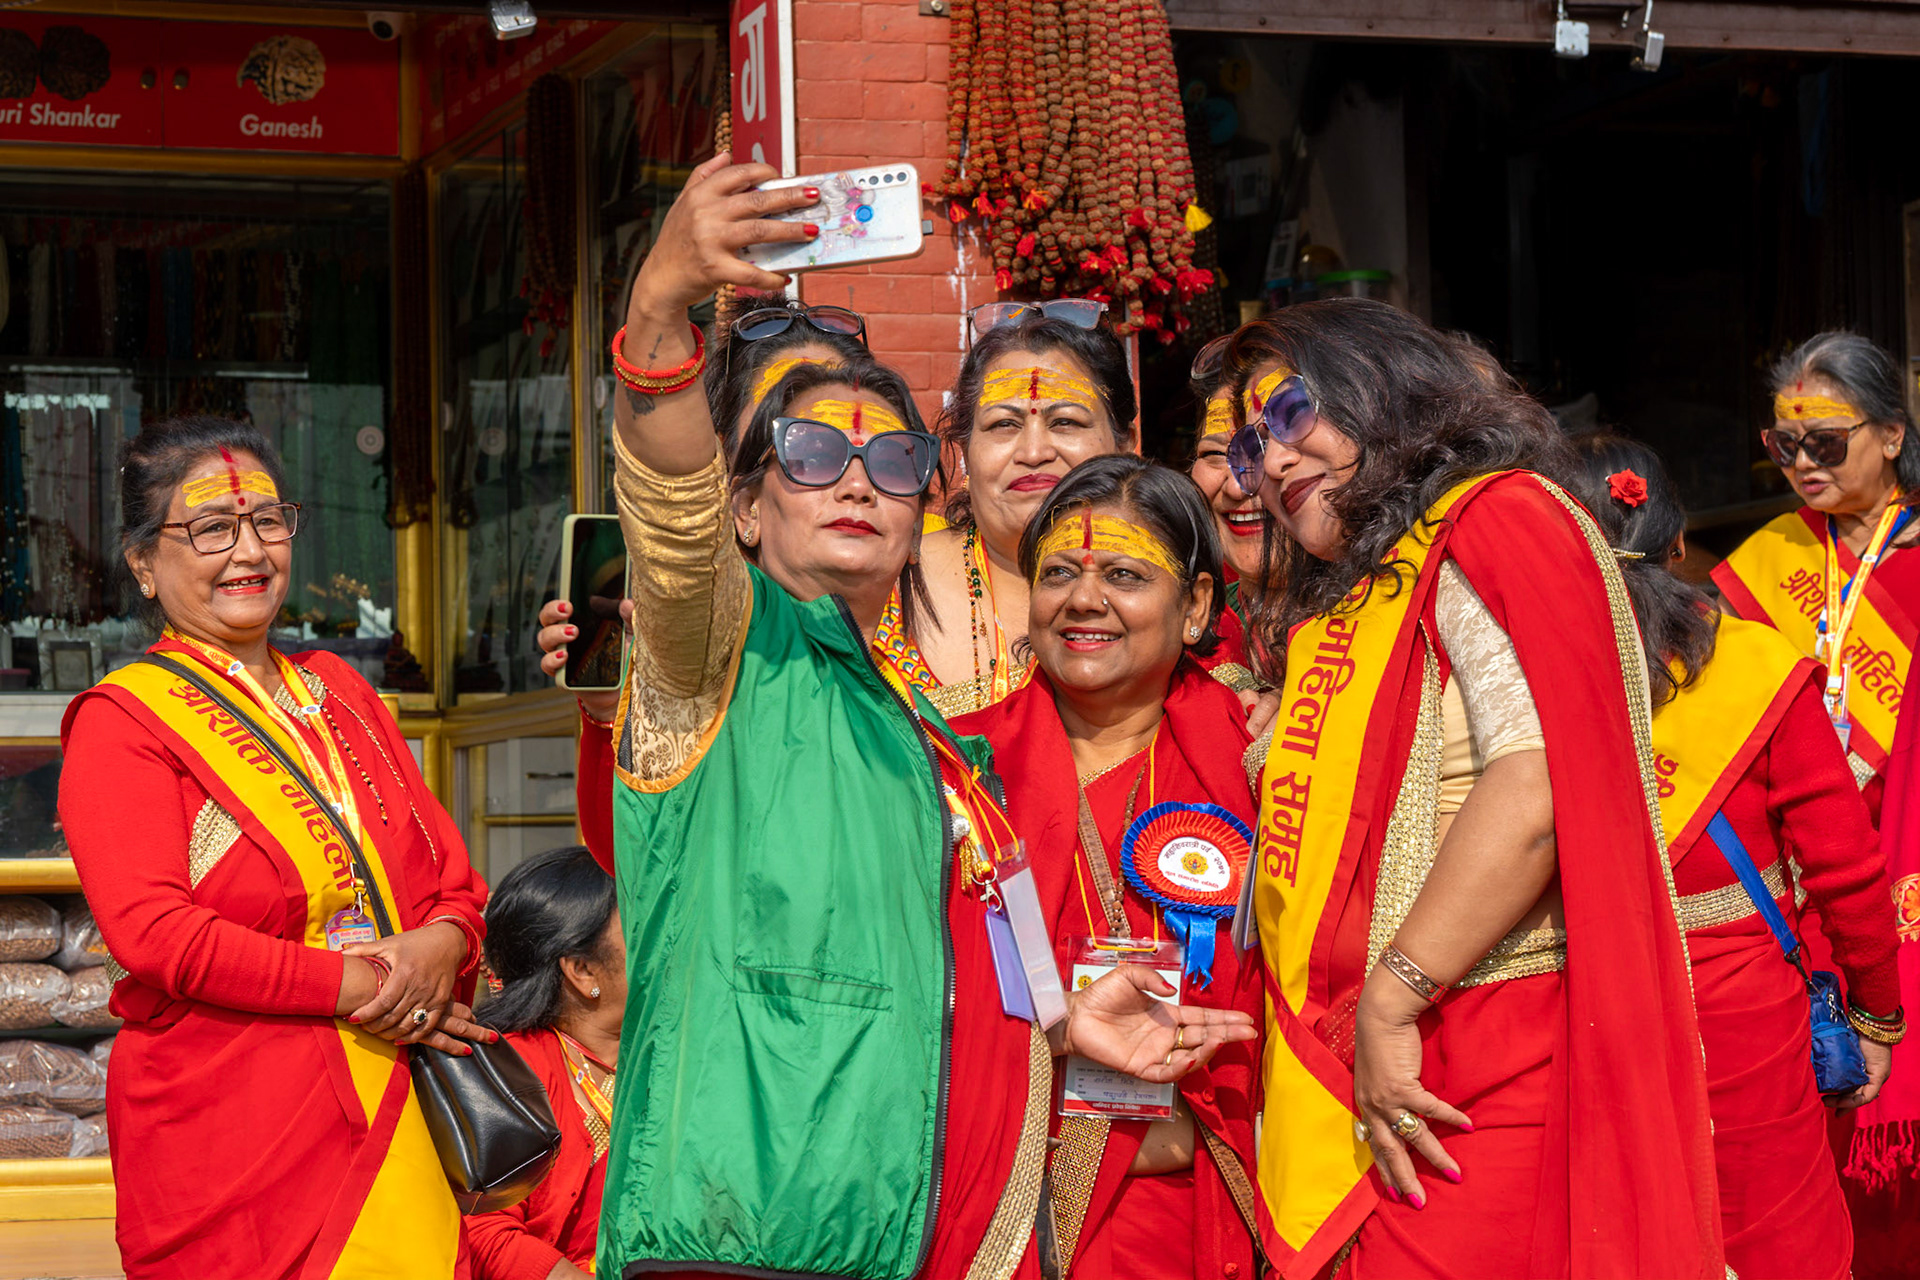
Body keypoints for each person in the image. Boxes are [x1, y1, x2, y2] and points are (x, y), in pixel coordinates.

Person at [592, 151, 1254, 1279]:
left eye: (892, 460)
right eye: (812, 455)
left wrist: (1066, 1025)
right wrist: (659, 305)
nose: (857, 480)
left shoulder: (942, 739)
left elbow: (961, 964)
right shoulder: (719, 661)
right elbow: (667, 510)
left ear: (919, 512)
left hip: (895, 1240)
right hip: (727, 1232)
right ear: (745, 509)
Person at [1227, 300, 1723, 1278]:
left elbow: (1534, 784)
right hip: (1386, 1063)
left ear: (1382, 391)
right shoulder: (1373, 583)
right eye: (1249, 446)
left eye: (1290, 414)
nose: (1272, 461)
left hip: (1486, 1054)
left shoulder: (1495, 517)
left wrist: (1390, 1000)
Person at [57, 415, 492, 1280]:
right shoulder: (125, 723)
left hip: (400, 1101)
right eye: (212, 529)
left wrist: (443, 945)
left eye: (266, 520)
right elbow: (157, 936)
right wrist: (366, 985)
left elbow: (454, 880)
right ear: (143, 563)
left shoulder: (341, 691)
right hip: (233, 1135)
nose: (249, 551)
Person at [1567, 433, 1902, 1280]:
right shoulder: (1757, 667)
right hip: (1745, 1020)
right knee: (1773, 1240)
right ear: (1680, 544)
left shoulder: (1523, 682)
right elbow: (1845, 870)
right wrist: (1877, 1017)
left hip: (1585, 1006)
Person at [952, 455, 1263, 1279]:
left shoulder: (1261, 765)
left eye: (1124, 575)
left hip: (1199, 1214)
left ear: (1196, 606)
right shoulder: (955, 769)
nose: (1084, 600)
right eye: (1058, 574)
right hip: (999, 1215)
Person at [1712, 331, 1920, 821]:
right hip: (1790, 819)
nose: (1803, 463)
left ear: (1891, 435)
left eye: (1827, 444)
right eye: (1785, 446)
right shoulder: (1775, 549)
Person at [913, 311, 1138, 715]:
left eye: (1066, 421)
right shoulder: (889, 588)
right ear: (965, 451)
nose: (1034, 453)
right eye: (1003, 424)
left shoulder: (1174, 591)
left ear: (1125, 445)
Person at [469, 846, 625, 1280]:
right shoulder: (505, 1069)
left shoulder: (677, 1051)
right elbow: (484, 1233)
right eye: (639, 928)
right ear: (583, 971)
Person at [1188, 332, 1274, 682]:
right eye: (1214, 454)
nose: (1238, 486)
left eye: (1264, 448)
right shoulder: (1177, 624)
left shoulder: (1389, 616)